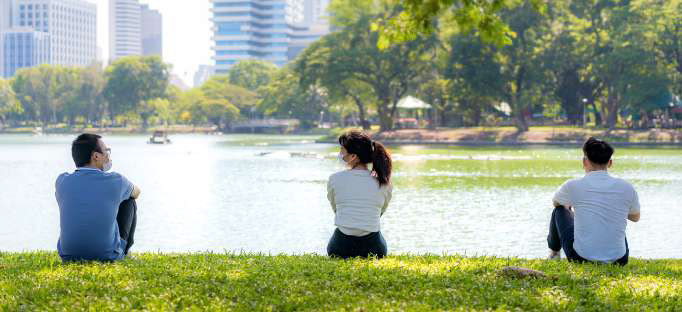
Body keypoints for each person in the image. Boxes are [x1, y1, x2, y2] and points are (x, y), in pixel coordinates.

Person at [547, 137, 640, 265]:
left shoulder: (572, 186)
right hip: (619, 260)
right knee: (616, 218)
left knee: (558, 211)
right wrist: (613, 208)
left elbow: (556, 203)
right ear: (610, 163)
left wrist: (570, 206)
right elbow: (635, 217)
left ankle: (554, 253)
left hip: (581, 259)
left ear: (584, 162)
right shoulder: (626, 187)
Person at [56, 133, 141, 262]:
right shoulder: (116, 180)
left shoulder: (62, 181)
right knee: (129, 200)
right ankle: (125, 252)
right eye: (106, 151)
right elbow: (137, 192)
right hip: (107, 256)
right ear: (95, 156)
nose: (108, 155)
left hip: (68, 256)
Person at [326, 130, 393, 259]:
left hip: (340, 248)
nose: (339, 154)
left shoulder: (334, 179)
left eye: (342, 150)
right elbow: (380, 213)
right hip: (374, 248)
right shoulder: (384, 182)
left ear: (353, 156)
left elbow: (336, 209)